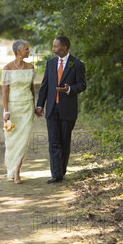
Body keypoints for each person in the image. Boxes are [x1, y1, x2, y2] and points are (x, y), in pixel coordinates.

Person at [35, 36, 86, 184]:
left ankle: (61, 171)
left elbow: (82, 85)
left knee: (64, 141)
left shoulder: (76, 64)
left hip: (68, 109)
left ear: (64, 47)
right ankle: (56, 174)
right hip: (51, 108)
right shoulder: (50, 64)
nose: (53, 49)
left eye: (55, 46)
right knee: (53, 142)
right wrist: (40, 105)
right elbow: (45, 86)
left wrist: (69, 89)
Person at [1, 40, 35, 184]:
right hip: (13, 109)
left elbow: (32, 89)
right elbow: (4, 92)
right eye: (27, 49)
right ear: (18, 52)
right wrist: (6, 111)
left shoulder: (31, 67)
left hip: (27, 107)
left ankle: (17, 172)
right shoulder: (7, 68)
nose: (29, 51)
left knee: (24, 140)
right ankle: (12, 168)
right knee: (12, 140)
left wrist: (37, 106)